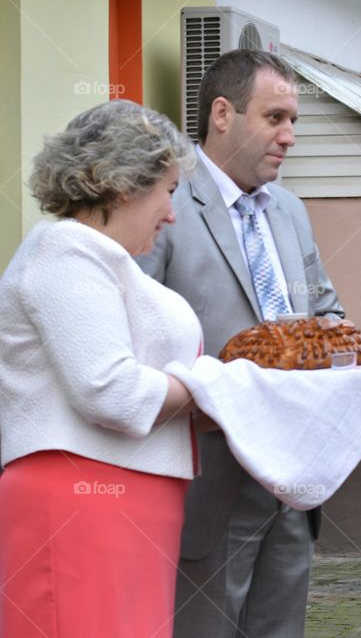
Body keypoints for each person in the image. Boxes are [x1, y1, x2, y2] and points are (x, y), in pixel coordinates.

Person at [136, 49, 343, 637]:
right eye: (275, 118)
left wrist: (335, 347)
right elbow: (136, 328)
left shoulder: (292, 211)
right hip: (209, 474)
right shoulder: (163, 204)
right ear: (222, 114)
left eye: (294, 121)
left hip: (291, 479)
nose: (290, 136)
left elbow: (326, 308)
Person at [0, 100, 199, 637]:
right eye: (170, 191)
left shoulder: (106, 259)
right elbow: (109, 390)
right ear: (125, 183)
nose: (173, 212)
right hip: (81, 502)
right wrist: (209, 385)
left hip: (128, 503)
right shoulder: (66, 250)